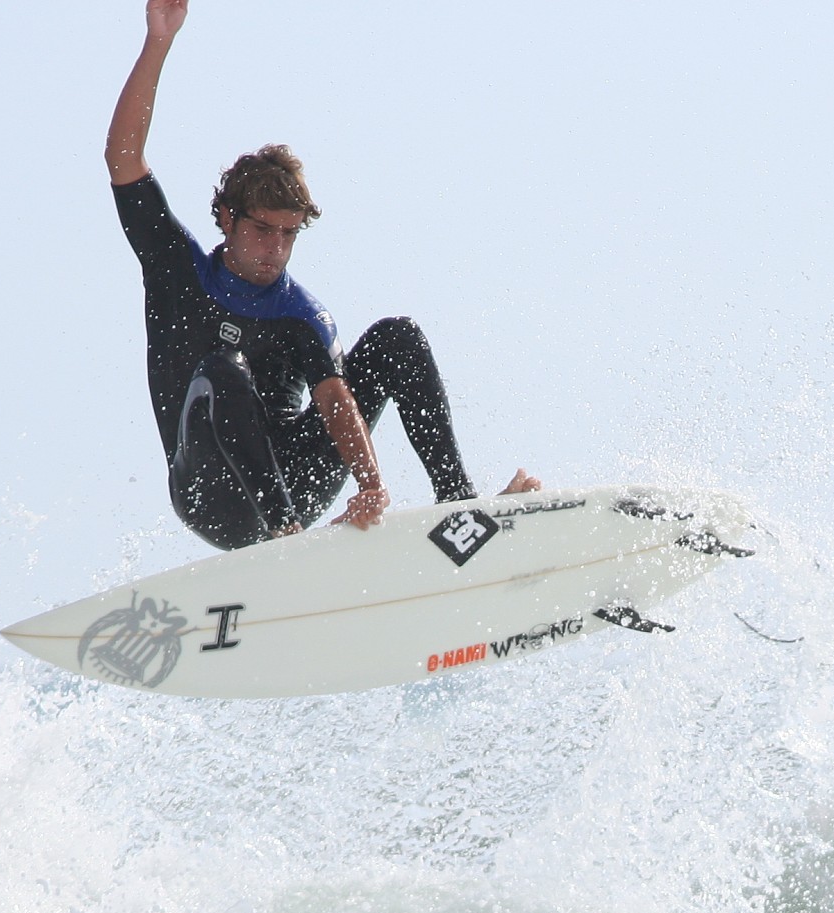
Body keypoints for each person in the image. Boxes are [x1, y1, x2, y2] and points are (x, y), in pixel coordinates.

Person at [105, 0, 539, 548]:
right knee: (223, 370)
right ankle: (285, 541)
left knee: (396, 339)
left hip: (299, 480)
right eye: (263, 230)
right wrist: (159, 41)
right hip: (210, 492)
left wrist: (372, 485)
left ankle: (459, 510)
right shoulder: (177, 270)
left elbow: (335, 401)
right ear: (225, 218)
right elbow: (123, 157)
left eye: (289, 235)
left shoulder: (299, 314)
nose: (276, 250)